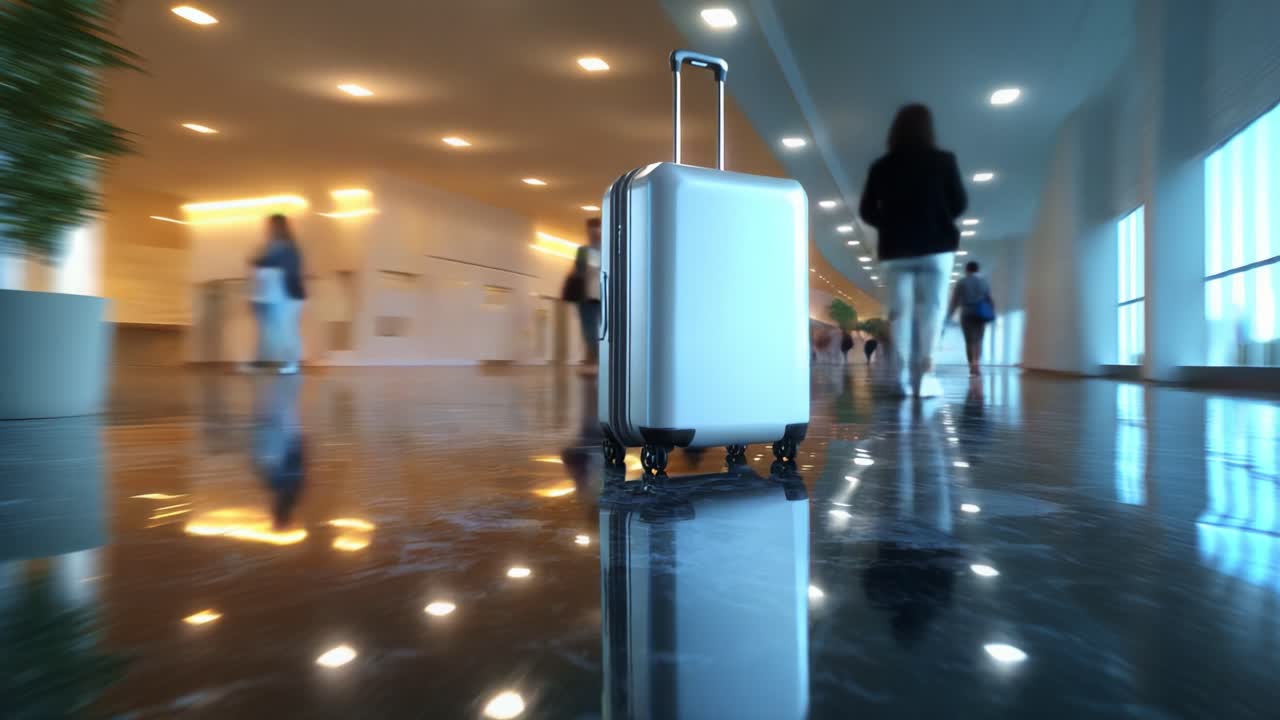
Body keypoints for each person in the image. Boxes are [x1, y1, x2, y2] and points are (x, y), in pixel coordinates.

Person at [859, 103, 967, 397]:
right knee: (931, 310)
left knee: (900, 313)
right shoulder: (944, 161)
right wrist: (937, 216)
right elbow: (959, 203)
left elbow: (867, 210)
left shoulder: (882, 167)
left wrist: (891, 224)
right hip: (936, 246)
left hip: (897, 249)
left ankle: (904, 375)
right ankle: (927, 375)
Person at [252, 215, 307, 374]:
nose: (268, 229)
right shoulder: (280, 246)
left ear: (278, 227)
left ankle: (292, 363)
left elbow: (270, 262)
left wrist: (259, 261)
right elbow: (266, 262)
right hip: (286, 294)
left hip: (291, 294)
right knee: (285, 330)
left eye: (271, 226)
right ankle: (290, 362)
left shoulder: (285, 247)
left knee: (288, 330)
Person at [563, 218, 602, 373]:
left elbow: (586, 271)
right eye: (591, 229)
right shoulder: (585, 250)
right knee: (589, 329)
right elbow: (580, 272)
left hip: (598, 294)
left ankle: (598, 359)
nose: (593, 233)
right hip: (587, 295)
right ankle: (596, 359)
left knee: (594, 329)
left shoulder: (600, 249)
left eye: (596, 229)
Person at [948, 261, 994, 376]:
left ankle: (971, 365)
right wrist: (992, 312)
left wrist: (950, 314)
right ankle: (976, 362)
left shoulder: (962, 282)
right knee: (979, 339)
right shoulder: (984, 282)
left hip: (967, 313)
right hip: (981, 314)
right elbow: (989, 299)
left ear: (967, 270)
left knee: (969, 340)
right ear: (977, 270)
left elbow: (955, 300)